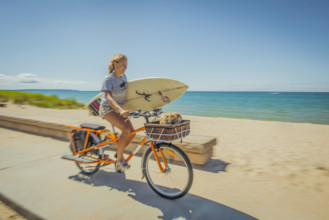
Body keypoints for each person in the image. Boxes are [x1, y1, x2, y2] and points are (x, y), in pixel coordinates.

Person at [99, 54, 136, 173]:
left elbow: (128, 94)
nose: (125, 67)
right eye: (122, 64)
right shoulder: (108, 79)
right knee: (126, 130)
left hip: (119, 109)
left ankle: (118, 154)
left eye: (126, 65)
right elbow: (109, 98)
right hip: (107, 109)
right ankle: (119, 162)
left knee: (132, 133)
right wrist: (121, 110)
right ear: (115, 64)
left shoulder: (124, 77)